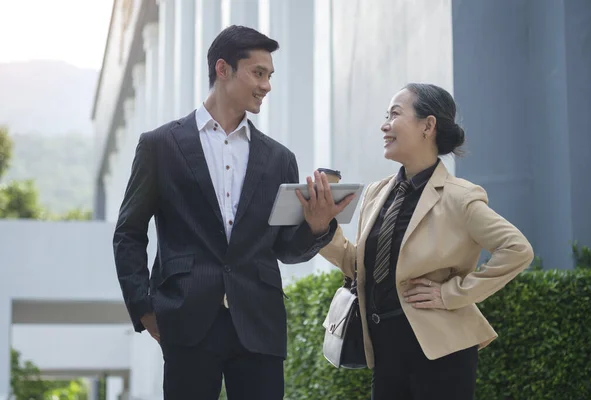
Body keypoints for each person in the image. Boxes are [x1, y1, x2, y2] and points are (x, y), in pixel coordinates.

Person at [113, 25, 352, 400]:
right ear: (222, 69)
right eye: (258, 73)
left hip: (259, 321)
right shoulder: (160, 146)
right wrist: (143, 308)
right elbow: (128, 232)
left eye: (270, 75)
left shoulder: (278, 158)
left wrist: (317, 227)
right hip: (185, 316)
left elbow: (286, 249)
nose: (267, 85)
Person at [319, 83, 534, 400]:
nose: (384, 124)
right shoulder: (377, 193)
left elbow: (517, 250)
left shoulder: (459, 197)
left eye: (394, 114)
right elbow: (359, 266)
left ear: (428, 125)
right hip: (385, 347)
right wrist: (321, 225)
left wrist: (452, 294)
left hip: (441, 351)